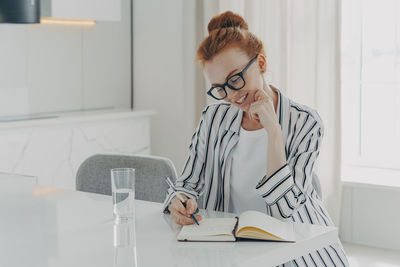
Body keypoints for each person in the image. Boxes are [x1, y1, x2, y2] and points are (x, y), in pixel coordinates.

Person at [162, 11, 349, 267]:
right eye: (220, 88)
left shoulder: (306, 122)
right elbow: (187, 183)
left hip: (298, 251)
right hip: (236, 251)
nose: (232, 96)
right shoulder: (213, 117)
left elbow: (286, 211)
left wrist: (273, 132)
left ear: (260, 64)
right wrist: (179, 202)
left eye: (235, 79)